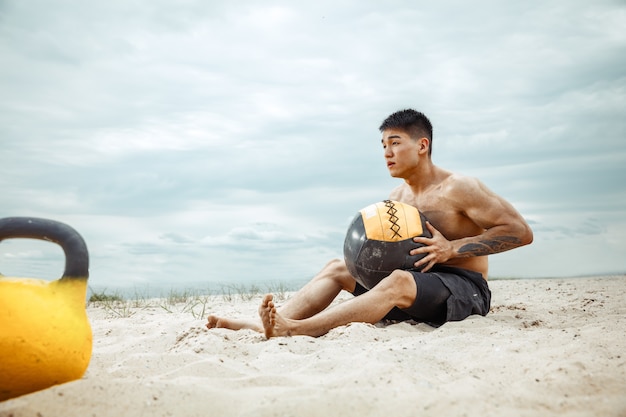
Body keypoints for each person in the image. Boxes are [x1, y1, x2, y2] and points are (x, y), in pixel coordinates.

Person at [206, 109, 533, 338]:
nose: (387, 152)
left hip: (466, 291)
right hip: (420, 288)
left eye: (395, 142)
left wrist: (451, 249)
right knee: (338, 268)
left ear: (422, 145)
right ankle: (274, 323)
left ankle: (295, 329)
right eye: (383, 145)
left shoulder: (459, 188)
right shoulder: (397, 196)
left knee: (399, 281)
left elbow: (520, 231)